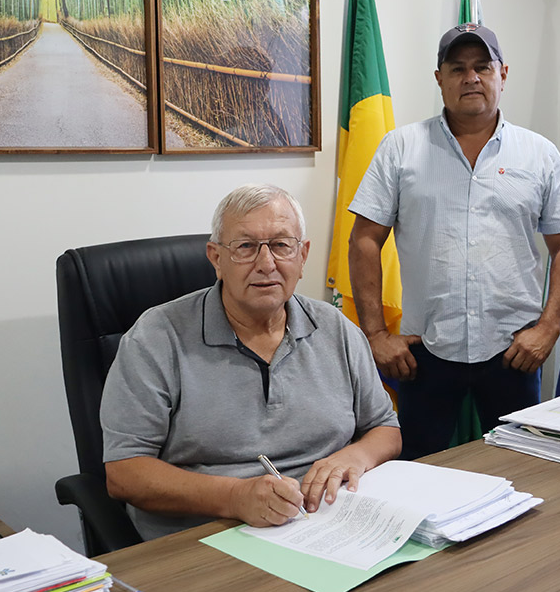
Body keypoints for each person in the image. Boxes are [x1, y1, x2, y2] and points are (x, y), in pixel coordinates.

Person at [101, 184, 401, 540]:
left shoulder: (335, 328)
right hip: (204, 535)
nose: (266, 264)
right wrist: (235, 497)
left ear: (302, 255)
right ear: (216, 258)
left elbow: (385, 428)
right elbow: (123, 473)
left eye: (281, 245)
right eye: (245, 247)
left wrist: (356, 457)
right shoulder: (156, 338)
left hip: (324, 524)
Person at [348, 23, 560, 459]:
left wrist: (549, 328)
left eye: (482, 66)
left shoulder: (539, 154)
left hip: (514, 351)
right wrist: (375, 334)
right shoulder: (400, 149)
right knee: (418, 471)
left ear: (503, 74)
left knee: (521, 472)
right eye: (457, 68)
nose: (470, 77)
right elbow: (365, 239)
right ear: (439, 78)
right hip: (425, 354)